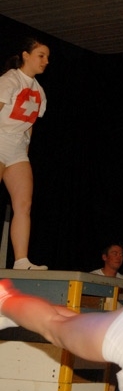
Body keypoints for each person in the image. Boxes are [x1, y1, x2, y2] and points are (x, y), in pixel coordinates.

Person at [0, 37, 50, 270]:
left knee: (24, 204)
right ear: (26, 56)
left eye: (47, 57)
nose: (46, 61)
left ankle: (21, 261)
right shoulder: (10, 80)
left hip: (17, 149)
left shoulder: (39, 91)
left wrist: (24, 150)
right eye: (41, 56)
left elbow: (29, 125)